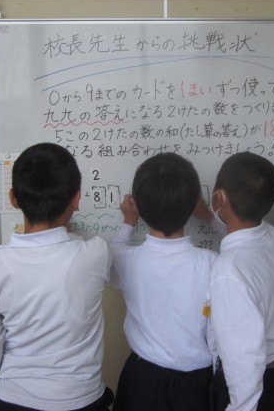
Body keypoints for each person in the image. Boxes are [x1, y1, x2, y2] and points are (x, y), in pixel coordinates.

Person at [0, 142, 113, 411]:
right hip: (82, 399)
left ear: (13, 198)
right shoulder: (96, 254)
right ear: (76, 199)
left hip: (15, 397)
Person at [109, 152, 216, 411]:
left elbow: (113, 253)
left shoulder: (126, 260)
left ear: (139, 206)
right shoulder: (213, 264)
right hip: (196, 384)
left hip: (141, 380)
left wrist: (128, 221)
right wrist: (210, 217)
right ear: (194, 204)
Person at [206, 152, 274, 411]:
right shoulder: (270, 235)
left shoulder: (228, 271)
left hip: (253, 391)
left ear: (219, 198)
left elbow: (243, 357)